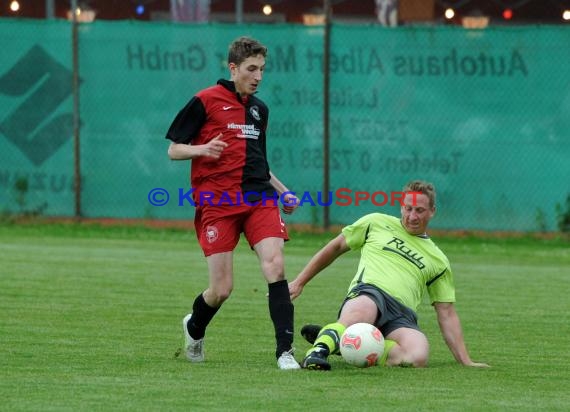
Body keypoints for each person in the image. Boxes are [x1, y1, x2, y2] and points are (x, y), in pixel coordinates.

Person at [165, 36, 301, 370]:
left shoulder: (259, 110)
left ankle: (285, 351)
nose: (258, 76)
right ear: (233, 68)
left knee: (275, 266)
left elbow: (259, 163)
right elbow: (173, 149)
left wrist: (283, 191)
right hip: (218, 202)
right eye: (251, 69)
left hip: (258, 198)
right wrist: (201, 150)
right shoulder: (205, 100)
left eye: (262, 70)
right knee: (222, 289)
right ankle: (194, 327)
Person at [288, 180, 489, 370]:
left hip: (402, 314)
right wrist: (299, 282)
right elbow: (335, 247)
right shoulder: (376, 222)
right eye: (408, 208)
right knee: (359, 314)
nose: (412, 216)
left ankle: (345, 342)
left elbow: (446, 312)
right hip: (370, 293)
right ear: (401, 206)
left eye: (419, 210)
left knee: (417, 356)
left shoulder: (439, 260)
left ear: (432, 211)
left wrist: (466, 361)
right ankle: (318, 352)